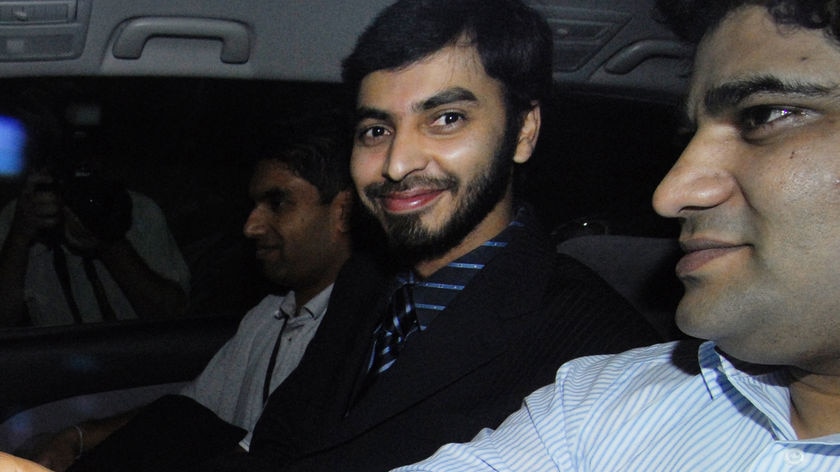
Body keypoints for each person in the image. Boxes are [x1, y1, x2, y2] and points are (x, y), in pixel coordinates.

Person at [196, 1, 662, 471]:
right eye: (376, 130)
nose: (397, 163)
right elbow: (281, 439)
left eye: (446, 119)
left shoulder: (603, 352)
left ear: (523, 131)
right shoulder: (366, 278)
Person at [393, 1, 840, 470]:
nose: (670, 194)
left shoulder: (580, 325)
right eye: (376, 129)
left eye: (764, 115)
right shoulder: (601, 400)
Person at [17, 114, 374, 472]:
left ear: (343, 212)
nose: (251, 226)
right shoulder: (269, 316)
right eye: (253, 206)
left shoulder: (364, 333)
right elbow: (191, 409)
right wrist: (77, 437)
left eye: (277, 203)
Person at [0, 97, 190, 327]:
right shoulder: (21, 217)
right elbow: (4, 322)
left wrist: (107, 240)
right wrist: (20, 238)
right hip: (60, 358)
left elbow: (175, 318)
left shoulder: (139, 212)